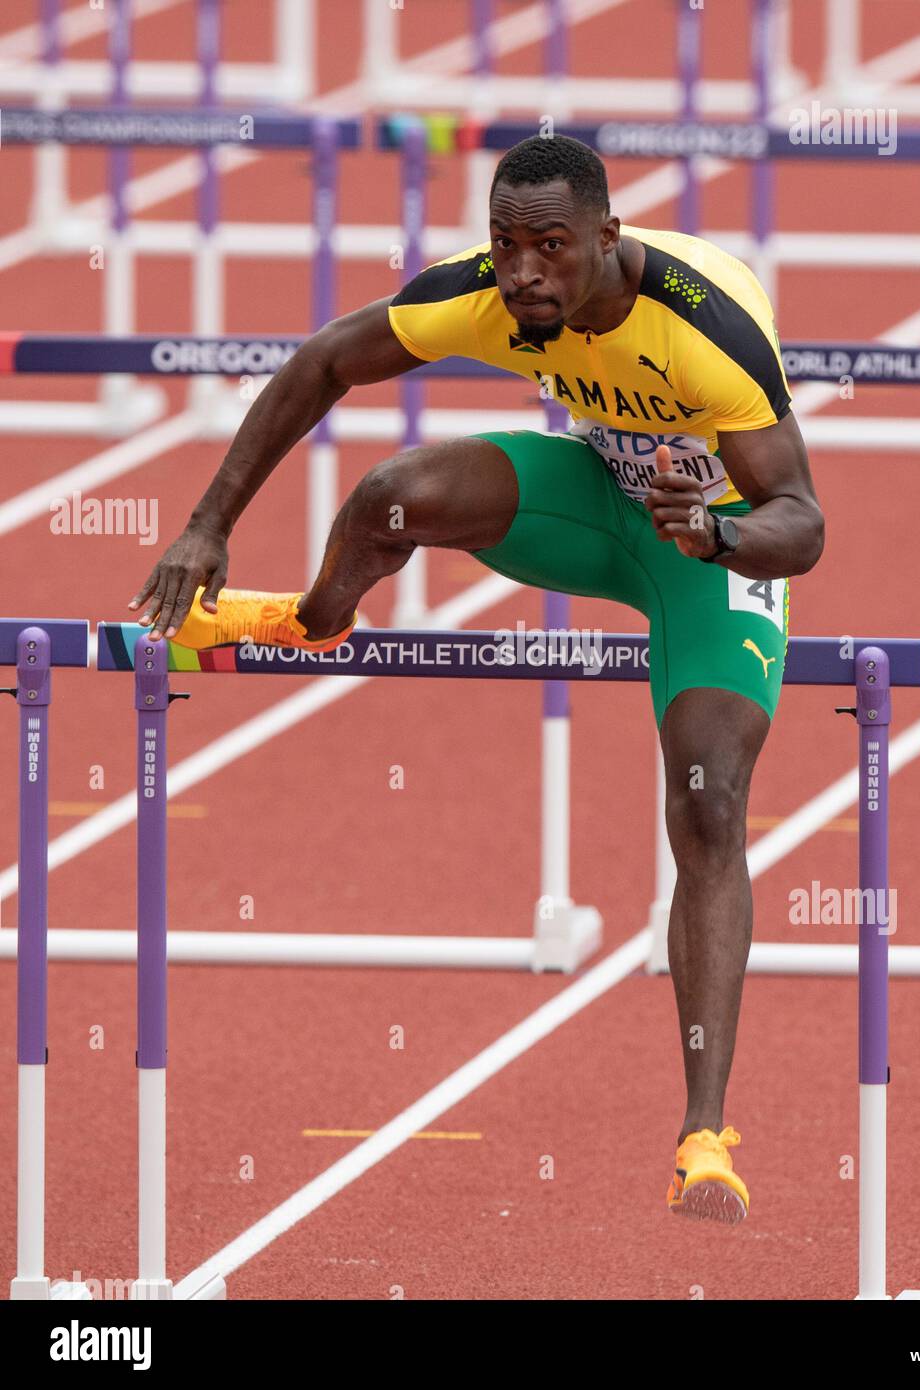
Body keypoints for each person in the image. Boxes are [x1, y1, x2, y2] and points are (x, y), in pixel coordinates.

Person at [131, 134, 824, 1224]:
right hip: (597, 501)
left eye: (551, 249)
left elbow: (803, 521)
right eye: (507, 246)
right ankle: (318, 620)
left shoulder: (707, 332)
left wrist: (722, 543)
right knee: (391, 495)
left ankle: (704, 1134)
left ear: (609, 237)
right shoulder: (489, 294)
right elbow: (325, 359)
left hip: (710, 541)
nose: (525, 275)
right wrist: (208, 523)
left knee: (711, 798)